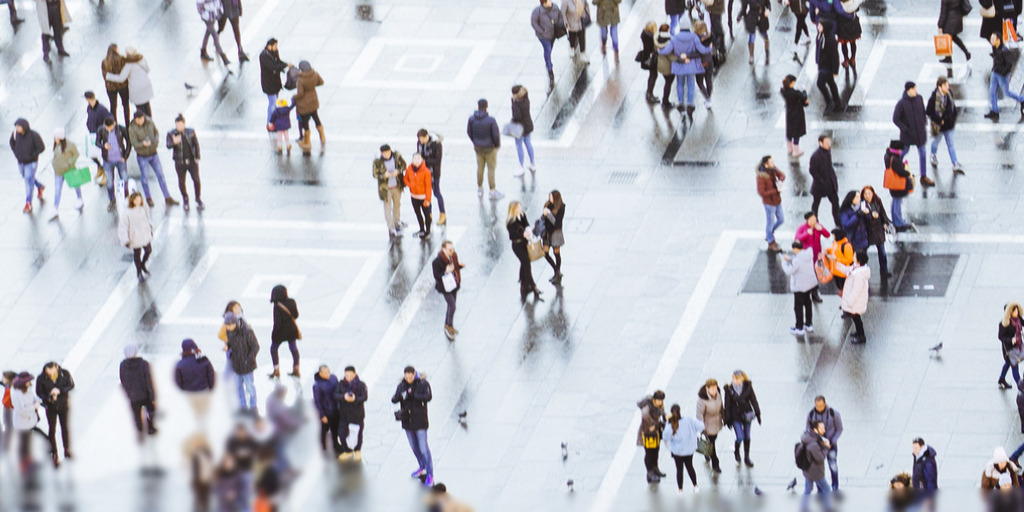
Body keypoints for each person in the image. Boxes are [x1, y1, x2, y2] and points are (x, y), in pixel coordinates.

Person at [658, 15, 710, 121]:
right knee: (691, 85)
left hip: (679, 66)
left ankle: (681, 104)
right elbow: (702, 50)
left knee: (680, 85)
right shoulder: (694, 37)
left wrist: (659, 50)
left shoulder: (674, 38)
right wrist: (709, 48)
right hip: (691, 66)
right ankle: (690, 104)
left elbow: (666, 51)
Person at [392, 366, 434, 486]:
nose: (408, 378)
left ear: (414, 374)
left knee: (423, 448)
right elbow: (394, 399)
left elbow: (428, 397)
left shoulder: (422, 384)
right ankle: (422, 467)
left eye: (410, 376)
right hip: (408, 421)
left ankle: (430, 473)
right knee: (414, 447)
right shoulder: (402, 386)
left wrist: (413, 395)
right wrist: (401, 396)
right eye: (406, 376)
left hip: (420, 420)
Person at [128, 111, 178, 207]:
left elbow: (156, 133)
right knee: (145, 178)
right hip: (142, 156)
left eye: (142, 118)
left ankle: (167, 197)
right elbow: (134, 143)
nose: (141, 121)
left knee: (161, 176)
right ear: (135, 119)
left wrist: (155, 142)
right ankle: (148, 198)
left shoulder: (149, 122)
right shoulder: (132, 128)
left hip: (153, 153)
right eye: (139, 120)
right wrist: (143, 144)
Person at [893, 82, 932, 186]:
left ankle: (923, 176)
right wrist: (905, 128)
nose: (916, 90)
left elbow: (923, 112)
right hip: (908, 135)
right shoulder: (901, 103)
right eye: (914, 89)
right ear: (909, 90)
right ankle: (896, 169)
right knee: (904, 151)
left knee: (923, 153)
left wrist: (924, 122)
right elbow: (895, 119)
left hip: (919, 133)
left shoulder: (919, 98)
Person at [35, 362, 74, 467]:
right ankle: (54, 453)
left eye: (52, 372)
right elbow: (39, 392)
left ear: (56, 368)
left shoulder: (64, 374)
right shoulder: (41, 378)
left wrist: (59, 390)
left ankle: (67, 449)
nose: (51, 374)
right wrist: (49, 396)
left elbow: (70, 385)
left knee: (64, 428)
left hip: (63, 405)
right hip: (50, 406)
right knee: (52, 429)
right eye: (49, 372)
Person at [119, 344, 158, 445]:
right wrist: (152, 395)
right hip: (145, 394)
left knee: (136, 415)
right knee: (150, 411)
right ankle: (150, 428)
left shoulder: (123, 365)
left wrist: (127, 392)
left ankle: (140, 431)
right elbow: (148, 381)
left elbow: (123, 380)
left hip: (133, 396)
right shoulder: (143, 364)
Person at [174, 339, 216, 430]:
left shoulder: (180, 364)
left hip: (189, 394)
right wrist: (211, 388)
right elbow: (211, 375)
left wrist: (183, 390)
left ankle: (195, 430)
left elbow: (178, 382)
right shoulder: (204, 360)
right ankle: (203, 429)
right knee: (203, 413)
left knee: (193, 413)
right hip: (203, 392)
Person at [925, 77, 962, 175]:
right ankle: (933, 154)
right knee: (936, 142)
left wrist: (953, 118)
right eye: (945, 85)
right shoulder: (933, 98)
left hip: (949, 125)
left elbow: (953, 108)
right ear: (939, 87)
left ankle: (955, 163)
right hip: (939, 126)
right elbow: (928, 112)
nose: (947, 87)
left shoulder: (949, 94)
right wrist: (939, 120)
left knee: (951, 144)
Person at [166, 114, 203, 211]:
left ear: (184, 124)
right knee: (182, 182)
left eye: (180, 124)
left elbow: (196, 144)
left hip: (191, 161)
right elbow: (168, 145)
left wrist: (197, 156)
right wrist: (174, 142)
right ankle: (185, 199)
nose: (178, 127)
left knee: (196, 180)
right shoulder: (172, 133)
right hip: (179, 162)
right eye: (177, 125)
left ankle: (198, 198)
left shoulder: (190, 132)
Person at [224, 312, 259, 412]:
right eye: (226, 325)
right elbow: (230, 342)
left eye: (229, 325)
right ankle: (242, 405)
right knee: (238, 387)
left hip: (247, 366)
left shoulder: (247, 332)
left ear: (234, 323)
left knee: (250, 388)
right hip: (236, 365)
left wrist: (248, 359)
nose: (227, 327)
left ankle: (253, 407)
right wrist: (228, 346)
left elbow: (255, 347)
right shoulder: (229, 331)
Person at [467, 99, 503, 199]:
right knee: (491, 168)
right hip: (490, 148)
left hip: (478, 148)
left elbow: (469, 132)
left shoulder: (471, 119)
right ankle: (492, 190)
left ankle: (479, 187)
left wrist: (475, 141)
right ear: (486, 106)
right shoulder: (491, 120)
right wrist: (497, 145)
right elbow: (496, 135)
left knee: (480, 167)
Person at [9, 118, 46, 214]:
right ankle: (40, 186)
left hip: (31, 163)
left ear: (24, 127)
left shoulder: (33, 135)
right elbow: (12, 144)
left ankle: (28, 202)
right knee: (27, 177)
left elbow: (41, 147)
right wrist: (16, 152)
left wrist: (33, 155)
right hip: (20, 162)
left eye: (18, 127)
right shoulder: (16, 135)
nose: (16, 128)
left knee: (28, 181)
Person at [723, 370, 760, 467]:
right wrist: (727, 420)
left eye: (738, 378)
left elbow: (753, 400)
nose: (735, 380)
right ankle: (737, 451)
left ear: (742, 378)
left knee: (747, 436)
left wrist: (758, 413)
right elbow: (727, 405)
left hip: (747, 415)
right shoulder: (729, 390)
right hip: (736, 417)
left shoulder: (748, 387)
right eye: (734, 378)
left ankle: (747, 457)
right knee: (740, 437)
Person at [665, 403, 704, 494]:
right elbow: (701, 426)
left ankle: (680, 490)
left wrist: (667, 421)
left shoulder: (670, 424)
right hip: (689, 450)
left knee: (679, 470)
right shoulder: (688, 420)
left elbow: (665, 436)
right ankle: (695, 486)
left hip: (677, 452)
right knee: (690, 467)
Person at [104, 49, 155, 119]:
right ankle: (150, 123)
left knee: (140, 109)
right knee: (147, 106)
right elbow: (148, 70)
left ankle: (144, 124)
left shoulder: (129, 65)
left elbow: (121, 78)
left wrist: (108, 76)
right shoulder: (142, 59)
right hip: (146, 87)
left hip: (137, 90)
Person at [985, 34, 1024, 124]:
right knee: (992, 91)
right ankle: (994, 111)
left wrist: (1003, 73)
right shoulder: (995, 48)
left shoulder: (1004, 51)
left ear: (998, 40)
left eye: (993, 39)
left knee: (1006, 92)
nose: (991, 40)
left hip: (1002, 75)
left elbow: (1009, 64)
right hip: (995, 72)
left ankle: (1021, 99)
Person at [807, 397, 843, 492]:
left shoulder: (833, 413)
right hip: (818, 446)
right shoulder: (811, 415)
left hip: (831, 446)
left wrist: (832, 441)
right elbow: (808, 429)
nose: (818, 408)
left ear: (825, 404)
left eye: (821, 405)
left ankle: (835, 487)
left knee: (833, 466)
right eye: (817, 406)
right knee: (818, 469)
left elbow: (839, 429)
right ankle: (820, 490)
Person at [781, 240, 817, 336]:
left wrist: (784, 262)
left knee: (798, 307)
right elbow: (799, 258)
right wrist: (791, 259)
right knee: (808, 303)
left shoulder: (797, 260)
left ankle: (799, 327)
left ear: (795, 248)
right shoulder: (809, 253)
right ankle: (809, 324)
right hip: (810, 283)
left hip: (800, 286)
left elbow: (789, 271)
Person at [507, 201, 541, 301]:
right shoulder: (511, 222)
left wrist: (529, 229)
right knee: (526, 263)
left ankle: (523, 285)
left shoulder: (522, 215)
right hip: (517, 246)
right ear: (514, 210)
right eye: (518, 208)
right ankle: (533, 286)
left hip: (524, 244)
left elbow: (526, 224)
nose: (520, 209)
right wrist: (522, 234)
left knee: (525, 262)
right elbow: (512, 236)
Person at [96, 117, 131, 211]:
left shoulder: (120, 129)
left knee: (124, 179)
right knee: (110, 182)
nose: (107, 129)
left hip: (120, 159)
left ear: (114, 124)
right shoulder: (101, 130)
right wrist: (103, 146)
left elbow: (128, 141)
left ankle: (126, 197)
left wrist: (125, 156)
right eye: (106, 127)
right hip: (108, 161)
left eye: (109, 127)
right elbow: (97, 142)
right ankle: (112, 200)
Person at [794, 212, 831, 301]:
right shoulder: (802, 228)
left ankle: (815, 293)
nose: (814, 221)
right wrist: (807, 233)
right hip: (806, 255)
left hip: (816, 254)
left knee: (815, 273)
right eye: (812, 220)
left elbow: (827, 235)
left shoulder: (818, 226)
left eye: (815, 219)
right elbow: (797, 238)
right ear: (808, 220)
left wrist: (821, 229)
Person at [118, 192, 154, 282]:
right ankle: (139, 272)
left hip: (145, 234)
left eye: (139, 199)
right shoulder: (127, 213)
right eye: (136, 200)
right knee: (137, 255)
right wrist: (125, 240)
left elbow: (148, 217)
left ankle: (142, 265)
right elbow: (123, 227)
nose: (138, 201)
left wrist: (150, 228)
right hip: (135, 237)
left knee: (148, 250)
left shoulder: (143, 208)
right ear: (132, 200)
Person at [373, 144, 406, 238]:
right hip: (385, 189)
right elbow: (375, 174)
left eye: (387, 153)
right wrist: (384, 175)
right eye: (384, 154)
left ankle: (397, 221)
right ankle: (391, 227)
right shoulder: (377, 162)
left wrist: (398, 171)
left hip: (396, 186)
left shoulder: (396, 156)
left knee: (397, 205)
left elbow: (403, 165)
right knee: (387, 208)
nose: (386, 155)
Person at [432, 241, 464, 340]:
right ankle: (449, 325)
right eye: (450, 249)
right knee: (452, 306)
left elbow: (455, 267)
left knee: (451, 306)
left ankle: (448, 325)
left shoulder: (453, 256)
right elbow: (437, 277)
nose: (452, 251)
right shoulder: (437, 262)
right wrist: (445, 271)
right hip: (445, 287)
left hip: (454, 284)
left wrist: (459, 266)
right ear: (444, 249)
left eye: (453, 249)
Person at [335, 366, 368, 461]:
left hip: (357, 414)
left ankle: (358, 450)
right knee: (342, 434)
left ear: (354, 373)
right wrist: (343, 397)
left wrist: (355, 399)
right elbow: (336, 395)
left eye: (350, 375)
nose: (348, 377)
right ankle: (347, 451)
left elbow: (364, 397)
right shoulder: (341, 384)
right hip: (344, 414)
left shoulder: (361, 385)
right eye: (346, 375)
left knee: (358, 433)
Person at [799, 420, 833, 512]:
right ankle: (827, 508)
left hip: (807, 470)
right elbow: (820, 457)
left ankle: (803, 508)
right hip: (816, 472)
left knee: (808, 489)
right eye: (822, 428)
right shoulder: (813, 444)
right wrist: (826, 447)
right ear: (815, 429)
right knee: (827, 488)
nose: (824, 430)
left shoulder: (808, 436)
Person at [11, 372, 41, 474]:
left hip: (29, 421)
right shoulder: (17, 394)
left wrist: (37, 401)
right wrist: (34, 407)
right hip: (22, 423)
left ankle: (29, 462)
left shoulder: (27, 390)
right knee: (24, 445)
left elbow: (33, 398)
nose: (29, 383)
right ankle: (24, 465)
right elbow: (22, 410)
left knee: (28, 443)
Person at [293, 60, 325, 154]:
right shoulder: (315, 74)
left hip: (304, 105)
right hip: (313, 101)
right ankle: (322, 137)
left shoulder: (301, 79)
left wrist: (294, 97)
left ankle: (307, 142)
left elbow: (300, 94)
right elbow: (321, 82)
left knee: (305, 123)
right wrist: (312, 88)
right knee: (316, 118)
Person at [755, 155, 786, 252]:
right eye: (771, 162)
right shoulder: (761, 177)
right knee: (770, 221)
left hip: (777, 200)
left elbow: (782, 175)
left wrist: (780, 180)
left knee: (781, 219)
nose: (774, 163)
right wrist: (775, 190)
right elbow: (761, 192)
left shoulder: (773, 169)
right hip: (769, 203)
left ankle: (769, 234)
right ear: (766, 165)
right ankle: (771, 242)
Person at [838, 251, 870, 343]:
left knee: (856, 317)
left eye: (855, 256)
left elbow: (857, 290)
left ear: (859, 260)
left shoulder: (858, 275)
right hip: (856, 301)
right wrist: (836, 262)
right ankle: (859, 333)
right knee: (855, 317)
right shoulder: (856, 268)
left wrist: (850, 301)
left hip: (856, 301)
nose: (853, 257)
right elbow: (846, 269)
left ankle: (861, 336)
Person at [269, 284, 300, 379]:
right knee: (293, 349)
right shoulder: (292, 301)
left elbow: (277, 322)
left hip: (281, 332)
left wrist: (274, 335)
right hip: (291, 330)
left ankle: (276, 370)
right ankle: (296, 369)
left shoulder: (277, 305)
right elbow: (296, 315)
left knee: (273, 349)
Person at [50, 127, 83, 215]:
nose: (55, 139)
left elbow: (76, 154)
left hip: (69, 170)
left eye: (56, 137)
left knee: (76, 185)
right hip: (58, 171)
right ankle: (55, 207)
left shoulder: (70, 145)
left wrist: (69, 163)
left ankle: (79, 198)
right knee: (57, 190)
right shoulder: (57, 145)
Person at [858, 185, 890, 276]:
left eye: (869, 193)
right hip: (868, 231)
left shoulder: (877, 201)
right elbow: (859, 215)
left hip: (878, 229)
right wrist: (869, 214)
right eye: (865, 194)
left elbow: (883, 212)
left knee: (882, 252)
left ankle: (884, 271)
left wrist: (885, 222)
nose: (868, 196)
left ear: (873, 193)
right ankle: (863, 271)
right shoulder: (862, 204)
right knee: (864, 252)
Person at [808, 135, 840, 225]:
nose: (829, 145)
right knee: (816, 204)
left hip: (830, 183)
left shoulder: (828, 151)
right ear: (820, 143)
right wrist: (821, 181)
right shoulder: (815, 156)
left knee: (836, 204)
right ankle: (814, 221)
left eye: (829, 143)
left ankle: (838, 222)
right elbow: (812, 171)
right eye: (826, 143)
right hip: (820, 186)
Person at [531, 0, 565, 82]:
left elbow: (560, 15)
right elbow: (534, 23)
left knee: (550, 48)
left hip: (553, 34)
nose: (551, 1)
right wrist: (542, 31)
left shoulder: (555, 7)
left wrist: (560, 23)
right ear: (544, 3)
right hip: (544, 37)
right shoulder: (537, 12)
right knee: (548, 50)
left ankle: (548, 62)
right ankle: (549, 67)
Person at [417, 129, 446, 225]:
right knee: (426, 195)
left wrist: (424, 161)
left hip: (434, 173)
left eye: (422, 139)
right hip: (424, 173)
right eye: (420, 139)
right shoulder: (419, 143)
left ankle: (442, 214)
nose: (421, 142)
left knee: (437, 193)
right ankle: (428, 214)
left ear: (426, 136)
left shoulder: (436, 145)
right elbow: (418, 154)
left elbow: (437, 160)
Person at [636, 390, 666, 483]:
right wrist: (652, 424)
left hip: (655, 432)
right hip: (647, 433)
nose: (660, 402)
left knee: (656, 451)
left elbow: (662, 413)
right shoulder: (648, 406)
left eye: (661, 400)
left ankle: (655, 469)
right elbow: (645, 415)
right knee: (649, 453)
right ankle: (650, 473)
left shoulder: (659, 405)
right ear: (654, 399)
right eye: (659, 400)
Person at [696, 379, 724, 473]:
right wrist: (702, 428)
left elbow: (721, 407)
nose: (714, 390)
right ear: (707, 388)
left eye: (715, 388)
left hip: (716, 423)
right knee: (712, 444)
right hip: (708, 426)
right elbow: (699, 415)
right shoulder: (702, 400)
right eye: (712, 389)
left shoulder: (718, 394)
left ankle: (707, 452)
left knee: (713, 440)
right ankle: (715, 463)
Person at [84, 91, 112, 185]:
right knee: (92, 154)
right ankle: (100, 167)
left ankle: (106, 175)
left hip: (101, 135)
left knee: (104, 155)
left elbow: (109, 119)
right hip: (92, 134)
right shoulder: (89, 108)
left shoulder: (102, 109)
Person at [259, 39, 290, 123]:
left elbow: (278, 61)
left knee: (275, 101)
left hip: (276, 82)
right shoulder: (264, 56)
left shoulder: (275, 51)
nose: (276, 48)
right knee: (272, 102)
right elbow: (272, 66)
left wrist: (286, 64)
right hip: (268, 83)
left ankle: (273, 119)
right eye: (275, 46)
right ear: (270, 45)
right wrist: (284, 65)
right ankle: (270, 121)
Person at [102, 45, 132, 128]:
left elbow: (104, 76)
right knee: (125, 105)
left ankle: (114, 125)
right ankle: (127, 123)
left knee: (113, 106)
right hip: (122, 86)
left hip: (111, 88)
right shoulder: (122, 59)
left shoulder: (104, 62)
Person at [312, 365, 340, 456]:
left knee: (335, 429)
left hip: (335, 409)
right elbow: (317, 402)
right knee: (324, 431)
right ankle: (323, 448)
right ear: (320, 373)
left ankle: (336, 445)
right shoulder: (317, 385)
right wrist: (322, 415)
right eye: (325, 373)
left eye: (328, 371)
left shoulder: (333, 378)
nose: (327, 374)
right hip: (326, 412)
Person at [404, 153, 433, 238]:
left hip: (423, 197)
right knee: (418, 213)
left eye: (418, 159)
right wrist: (410, 185)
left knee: (427, 214)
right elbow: (405, 179)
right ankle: (421, 229)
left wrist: (428, 199)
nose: (416, 161)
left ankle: (428, 230)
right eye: (415, 159)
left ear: (422, 160)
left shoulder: (426, 171)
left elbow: (428, 186)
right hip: (414, 196)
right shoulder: (409, 168)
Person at [815, 21, 841, 115]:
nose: (818, 27)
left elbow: (835, 56)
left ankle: (829, 102)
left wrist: (835, 70)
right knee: (831, 83)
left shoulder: (830, 40)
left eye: (820, 25)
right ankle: (837, 102)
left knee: (820, 83)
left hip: (827, 67)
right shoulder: (820, 36)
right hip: (822, 65)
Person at [184, 433, 215, 512]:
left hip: (207, 479)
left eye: (199, 441)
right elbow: (190, 467)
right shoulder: (193, 452)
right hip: (197, 480)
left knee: (206, 500)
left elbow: (210, 464)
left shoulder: (208, 451)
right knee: (198, 500)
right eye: (196, 441)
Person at [510, 85, 536, 176]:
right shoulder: (526, 99)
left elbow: (516, 116)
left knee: (519, 145)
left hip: (519, 128)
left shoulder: (516, 103)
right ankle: (532, 163)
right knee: (528, 143)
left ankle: (521, 167)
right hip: (528, 124)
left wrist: (513, 104)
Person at [781, 75, 809, 157]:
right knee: (796, 132)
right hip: (797, 113)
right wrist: (804, 91)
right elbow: (804, 97)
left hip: (789, 113)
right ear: (792, 82)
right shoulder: (796, 93)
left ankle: (790, 148)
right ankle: (796, 150)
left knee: (789, 131)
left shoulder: (783, 91)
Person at [542, 191, 566, 284]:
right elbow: (543, 219)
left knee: (556, 253)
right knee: (545, 253)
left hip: (556, 233)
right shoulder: (547, 205)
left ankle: (557, 272)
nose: (550, 199)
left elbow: (556, 223)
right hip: (547, 233)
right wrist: (544, 215)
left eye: (551, 197)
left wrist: (549, 214)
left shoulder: (561, 207)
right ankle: (556, 271)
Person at [999, 303, 1024, 390]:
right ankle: (1021, 386)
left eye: (1017, 310)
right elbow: (1001, 337)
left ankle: (1002, 379)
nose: (1017, 312)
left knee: (1009, 363)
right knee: (1014, 365)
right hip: (1009, 349)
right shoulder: (1004, 324)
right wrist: (1011, 340)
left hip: (1018, 346)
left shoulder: (1018, 319)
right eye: (1015, 311)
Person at [738, 0, 770, 65]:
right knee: (751, 37)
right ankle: (751, 56)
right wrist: (740, 16)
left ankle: (767, 52)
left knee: (764, 35)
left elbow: (768, 4)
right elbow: (744, 8)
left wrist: (768, 10)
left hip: (762, 16)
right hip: (752, 17)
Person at [823, 228, 854, 295]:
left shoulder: (847, 246)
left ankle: (846, 304)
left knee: (845, 290)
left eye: (834, 235)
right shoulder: (835, 243)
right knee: (841, 289)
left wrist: (836, 259)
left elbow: (849, 260)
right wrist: (827, 251)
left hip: (842, 273)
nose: (833, 237)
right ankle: (844, 303)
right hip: (835, 271)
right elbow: (834, 250)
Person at [693, 20, 715, 110]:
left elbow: (700, 50)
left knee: (699, 82)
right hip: (709, 61)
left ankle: (707, 98)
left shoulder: (696, 38)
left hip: (701, 63)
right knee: (709, 79)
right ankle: (709, 97)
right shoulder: (709, 35)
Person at [654, 24, 676, 109]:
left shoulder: (657, 40)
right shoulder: (668, 43)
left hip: (660, 65)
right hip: (667, 67)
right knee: (668, 83)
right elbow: (671, 56)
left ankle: (665, 101)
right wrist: (680, 59)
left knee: (667, 82)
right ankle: (665, 102)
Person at [835, 2, 861, 69]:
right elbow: (857, 8)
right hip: (852, 23)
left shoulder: (839, 3)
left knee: (844, 44)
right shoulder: (853, 2)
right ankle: (853, 58)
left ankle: (846, 59)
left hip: (842, 23)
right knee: (853, 42)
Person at [640, 23, 660, 104]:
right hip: (652, 60)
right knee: (654, 75)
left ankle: (649, 91)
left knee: (652, 75)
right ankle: (650, 94)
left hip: (646, 58)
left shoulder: (644, 35)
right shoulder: (652, 38)